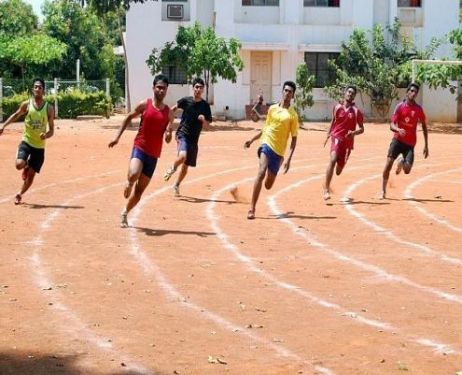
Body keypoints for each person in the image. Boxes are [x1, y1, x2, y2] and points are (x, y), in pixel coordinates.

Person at [108, 74, 173, 227]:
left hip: (154, 154)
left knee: (139, 192)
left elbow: (168, 139)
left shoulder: (169, 113)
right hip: (140, 147)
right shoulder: (145, 105)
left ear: (166, 90)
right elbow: (128, 118)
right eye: (159, 87)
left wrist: (169, 134)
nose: (161, 90)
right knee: (133, 174)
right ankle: (129, 183)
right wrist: (116, 137)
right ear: (153, 88)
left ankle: (124, 213)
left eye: (164, 88)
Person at [244, 81, 298, 220]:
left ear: (293, 95)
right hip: (267, 144)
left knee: (268, 185)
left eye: (290, 91)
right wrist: (252, 140)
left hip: (279, 152)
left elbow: (294, 139)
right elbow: (265, 129)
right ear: (282, 91)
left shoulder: (292, 115)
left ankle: (272, 168)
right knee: (261, 172)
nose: (287, 93)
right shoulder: (272, 109)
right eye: (285, 90)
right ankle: (252, 208)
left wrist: (289, 159)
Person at [0, 78, 55, 205]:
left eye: (40, 87)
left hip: (39, 147)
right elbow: (16, 115)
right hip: (27, 141)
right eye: (35, 87)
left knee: (31, 176)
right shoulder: (27, 104)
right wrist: (4, 125)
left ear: (43, 90)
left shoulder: (49, 108)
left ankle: (20, 194)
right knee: (18, 164)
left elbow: (52, 130)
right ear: (32, 89)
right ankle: (25, 165)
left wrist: (45, 135)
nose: (37, 89)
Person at [163, 77, 212, 197]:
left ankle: (177, 185)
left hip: (194, 140)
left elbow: (207, 127)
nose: (198, 89)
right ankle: (172, 168)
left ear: (203, 89)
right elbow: (172, 109)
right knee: (182, 156)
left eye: (200, 87)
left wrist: (203, 119)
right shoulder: (186, 101)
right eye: (196, 87)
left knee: (185, 168)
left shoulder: (205, 106)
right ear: (193, 88)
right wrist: (168, 125)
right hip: (182, 134)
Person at [381, 83, 428, 199]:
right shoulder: (400, 107)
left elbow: (424, 125)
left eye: (415, 92)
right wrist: (398, 129)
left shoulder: (418, 109)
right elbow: (391, 125)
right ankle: (383, 190)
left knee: (407, 171)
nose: (413, 93)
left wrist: (426, 145)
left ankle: (402, 162)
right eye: (411, 91)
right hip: (397, 140)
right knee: (388, 165)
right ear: (407, 92)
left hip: (410, 144)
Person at [322, 85, 364, 200]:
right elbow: (332, 121)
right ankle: (326, 189)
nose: (350, 94)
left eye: (353, 93)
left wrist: (353, 133)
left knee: (339, 171)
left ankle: (337, 169)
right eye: (349, 92)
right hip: (336, 137)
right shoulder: (336, 107)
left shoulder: (356, 112)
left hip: (348, 143)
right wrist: (328, 134)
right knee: (332, 159)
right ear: (345, 93)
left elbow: (362, 129)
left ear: (354, 96)